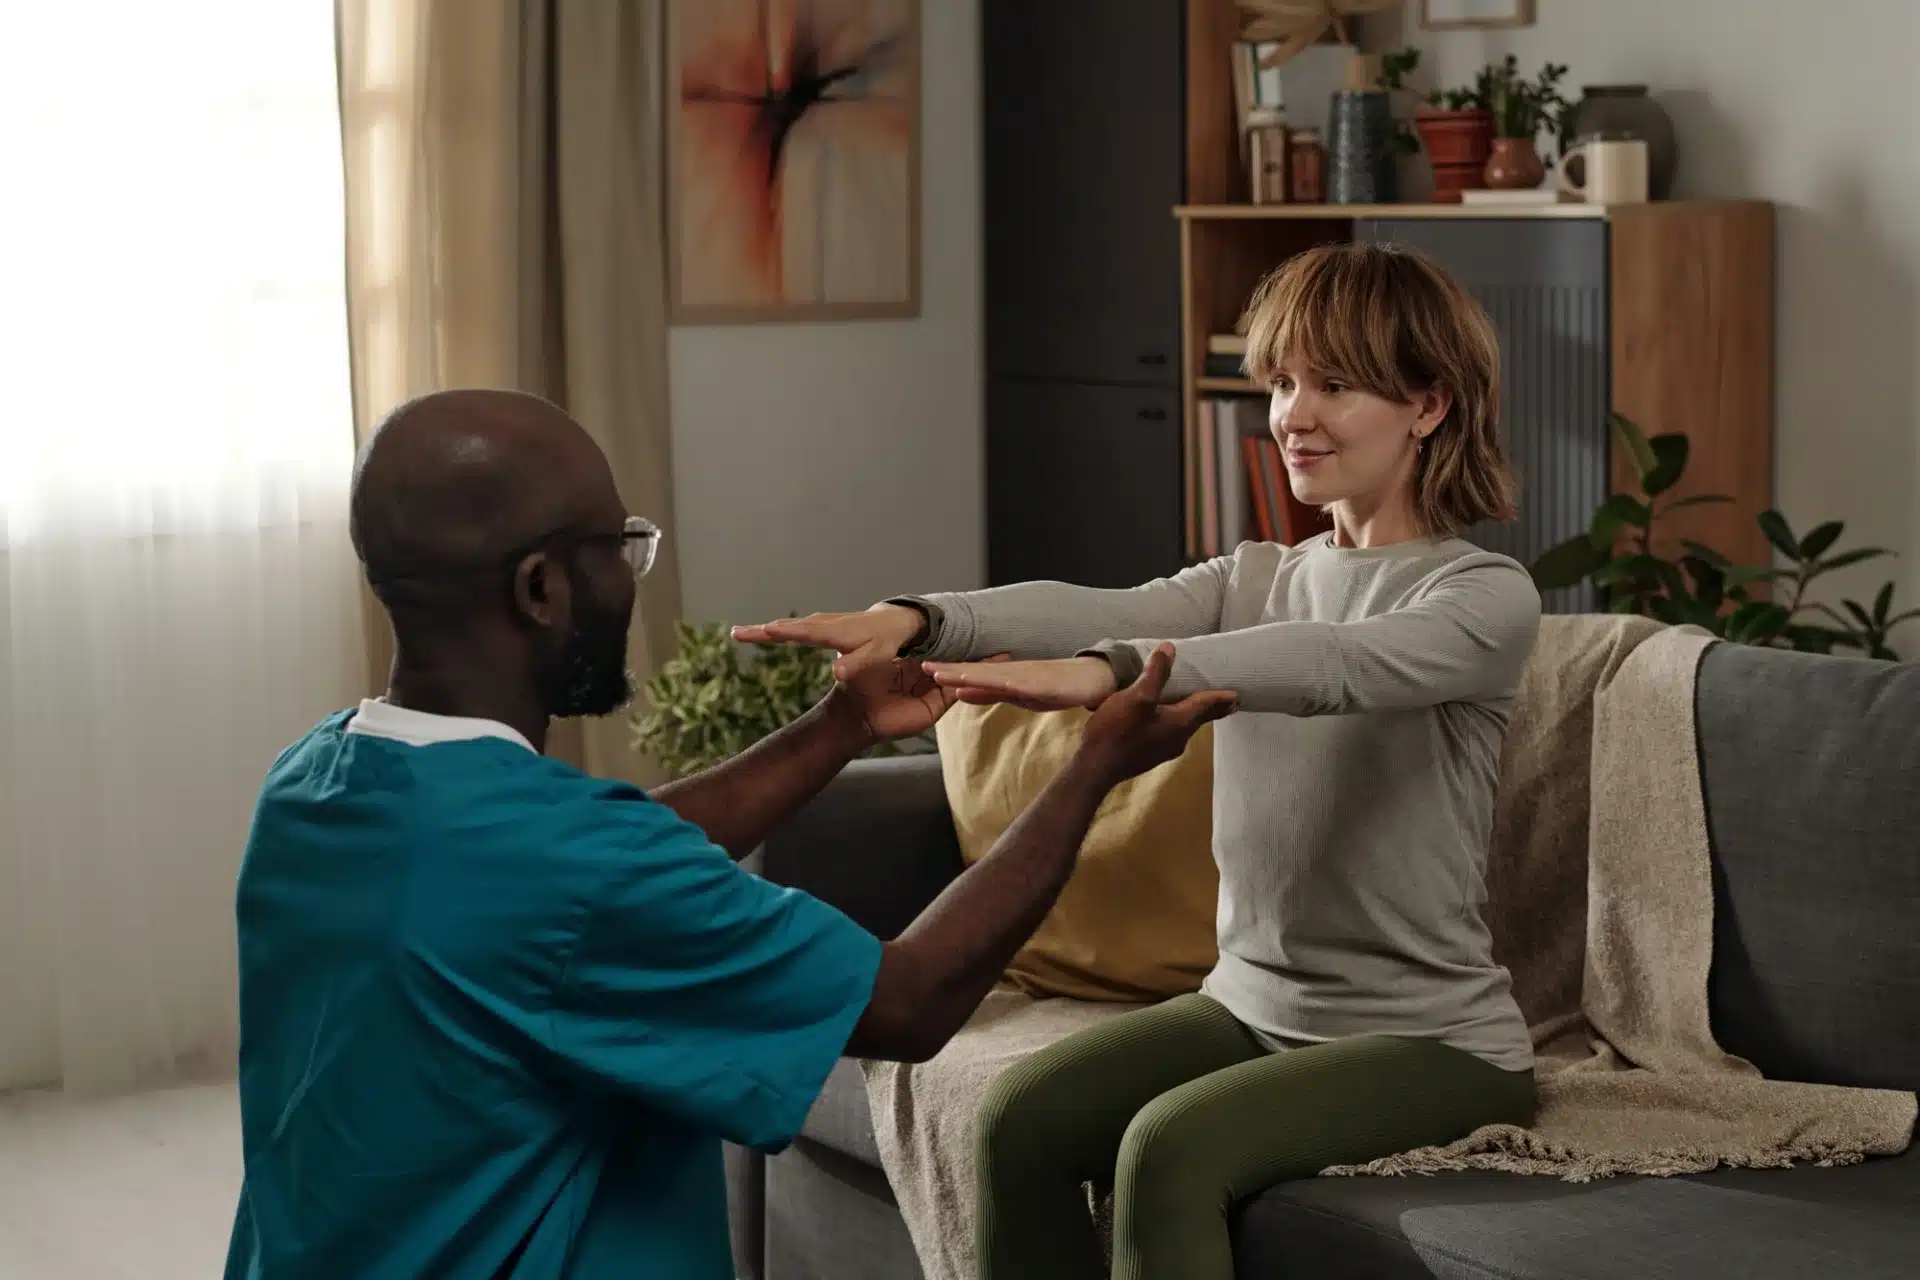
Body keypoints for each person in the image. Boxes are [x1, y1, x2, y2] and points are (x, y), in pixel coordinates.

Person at [223, 388, 1236, 1280]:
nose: (634, 575)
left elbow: (607, 856)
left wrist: (841, 727)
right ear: (540, 588)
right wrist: (1088, 769)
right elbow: (908, 1000)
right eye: (617, 546)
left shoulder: (316, 780)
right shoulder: (571, 868)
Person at [736, 241, 1544, 1280]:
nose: (1293, 413)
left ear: (1428, 405)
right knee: (1016, 1119)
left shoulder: (1482, 597)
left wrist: (1110, 673)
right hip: (1250, 1005)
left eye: (1334, 384)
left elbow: (1330, 663)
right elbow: (1105, 605)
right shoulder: (1256, 574)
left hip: (1432, 1043)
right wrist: (921, 617)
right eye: (1284, 380)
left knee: (1168, 1150)